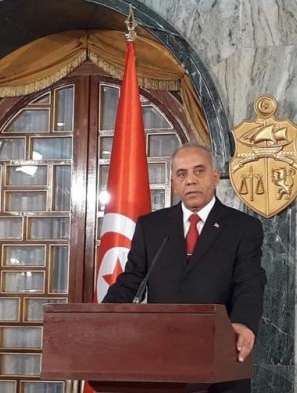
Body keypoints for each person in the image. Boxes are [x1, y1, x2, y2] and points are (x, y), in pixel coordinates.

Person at [103, 143, 267, 393]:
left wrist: (242, 323)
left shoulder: (243, 227)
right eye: (182, 174)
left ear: (215, 177)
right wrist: (101, 317)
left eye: (199, 171)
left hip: (220, 358)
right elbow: (132, 280)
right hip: (161, 359)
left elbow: (250, 283)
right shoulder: (151, 226)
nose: (190, 180)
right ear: (174, 183)